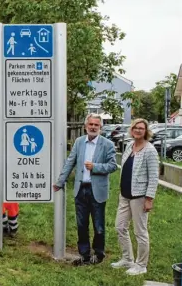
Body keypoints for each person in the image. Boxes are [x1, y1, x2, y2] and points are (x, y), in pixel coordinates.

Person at [53, 113, 117, 266]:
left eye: (96, 125)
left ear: (100, 127)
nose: (93, 127)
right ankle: (85, 255)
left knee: (98, 225)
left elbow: (113, 165)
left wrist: (96, 167)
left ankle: (99, 254)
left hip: (97, 190)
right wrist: (60, 182)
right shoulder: (79, 142)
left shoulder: (107, 144)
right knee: (81, 225)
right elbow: (70, 162)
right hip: (80, 189)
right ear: (85, 126)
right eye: (91, 124)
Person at [111, 118, 159, 275]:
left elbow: (153, 177)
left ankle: (141, 265)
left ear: (146, 131)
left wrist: (149, 199)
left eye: (142, 128)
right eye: (136, 128)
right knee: (120, 227)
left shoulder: (150, 150)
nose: (138, 130)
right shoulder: (130, 146)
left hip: (139, 197)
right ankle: (127, 259)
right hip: (125, 195)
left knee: (140, 232)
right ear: (131, 130)